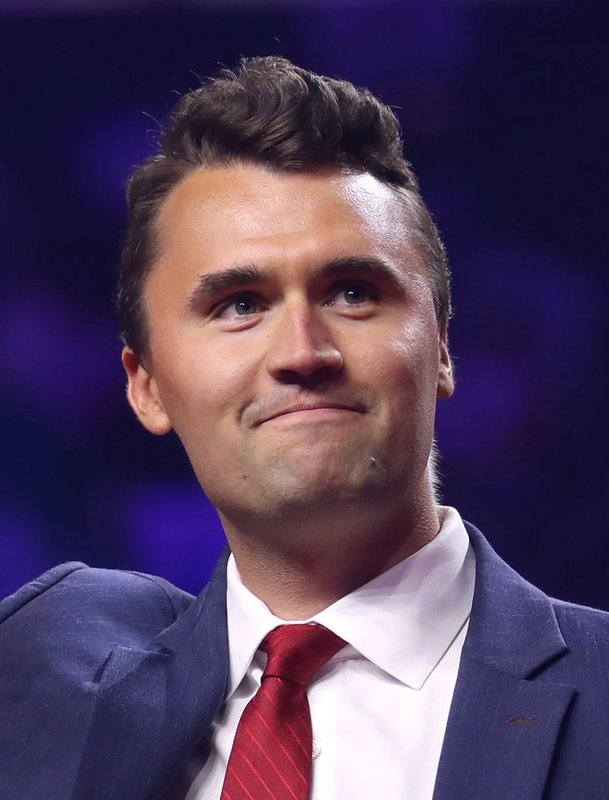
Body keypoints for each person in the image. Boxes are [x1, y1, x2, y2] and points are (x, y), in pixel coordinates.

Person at [1, 56, 608, 800]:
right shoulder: (40, 685)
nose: (302, 352)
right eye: (239, 305)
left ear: (443, 349)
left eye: (352, 293)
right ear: (147, 387)